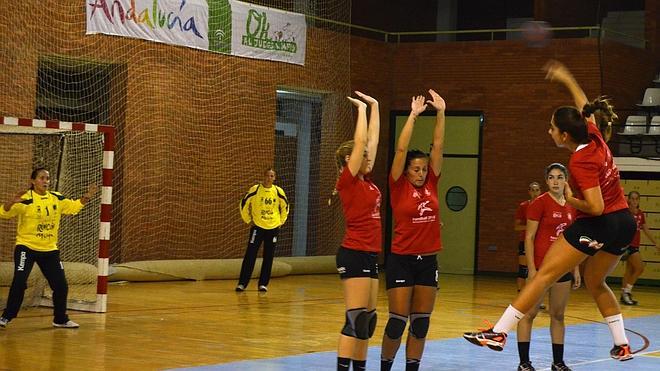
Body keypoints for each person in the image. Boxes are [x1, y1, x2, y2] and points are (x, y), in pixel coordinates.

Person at [463, 60, 637, 362]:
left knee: (543, 276)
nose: (550, 131)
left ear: (565, 136)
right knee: (595, 281)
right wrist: (567, 78)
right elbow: (585, 106)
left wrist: (571, 200)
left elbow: (595, 207)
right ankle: (621, 344)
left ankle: (499, 332)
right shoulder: (593, 135)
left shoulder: (580, 161)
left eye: (552, 128)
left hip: (599, 222)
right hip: (624, 223)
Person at [381, 90, 446, 371]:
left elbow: (439, 145)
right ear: (406, 171)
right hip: (401, 260)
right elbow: (400, 150)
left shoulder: (432, 183)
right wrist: (413, 116)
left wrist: (441, 112)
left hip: (427, 261)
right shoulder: (397, 186)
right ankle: (385, 366)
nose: (420, 173)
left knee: (420, 323)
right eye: (416, 169)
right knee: (397, 322)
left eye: (423, 169)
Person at [0, 168, 97, 329]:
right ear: (33, 181)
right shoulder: (25, 198)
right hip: (26, 247)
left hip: (49, 250)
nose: (45, 181)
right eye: (41, 178)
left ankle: (60, 319)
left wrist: (87, 196)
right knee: (19, 281)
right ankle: (6, 317)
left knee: (60, 285)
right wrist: (11, 202)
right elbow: (4, 214)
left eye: (47, 178)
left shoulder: (56, 198)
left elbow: (72, 207)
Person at [517, 163, 580, 371]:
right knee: (529, 314)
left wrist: (576, 268)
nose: (555, 181)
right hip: (542, 269)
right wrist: (532, 268)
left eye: (560, 177)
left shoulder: (572, 205)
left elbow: (574, 241)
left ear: (566, 180)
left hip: (562, 268)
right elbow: (529, 237)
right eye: (551, 177)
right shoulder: (539, 203)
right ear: (546, 180)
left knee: (558, 315)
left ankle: (558, 362)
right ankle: (524, 363)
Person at [334, 91, 381, 371]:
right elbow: (362, 140)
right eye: (361, 156)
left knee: (368, 320)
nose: (367, 157)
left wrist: (374, 107)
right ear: (349, 160)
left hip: (369, 254)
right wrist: (360, 111)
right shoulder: (347, 181)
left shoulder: (367, 180)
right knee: (355, 319)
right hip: (353, 252)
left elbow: (371, 141)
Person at [236, 168, 289, 292]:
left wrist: (280, 222)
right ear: (263, 176)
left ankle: (263, 284)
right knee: (250, 254)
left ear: (274, 178)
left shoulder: (278, 191)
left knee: (269, 256)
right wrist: (248, 220)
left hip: (273, 228)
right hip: (258, 227)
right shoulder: (255, 189)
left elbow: (285, 206)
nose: (269, 178)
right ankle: (242, 283)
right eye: (267, 175)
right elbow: (243, 203)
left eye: (271, 176)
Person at [620, 191, 659, 305]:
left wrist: (655, 243)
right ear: (629, 200)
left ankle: (623, 295)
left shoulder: (640, 214)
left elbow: (646, 230)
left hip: (635, 245)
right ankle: (627, 292)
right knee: (640, 268)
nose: (634, 201)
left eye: (637, 199)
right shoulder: (626, 213)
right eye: (632, 198)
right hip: (628, 245)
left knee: (630, 270)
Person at [515, 182, 542, 292]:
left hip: (539, 242)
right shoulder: (523, 206)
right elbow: (516, 227)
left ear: (540, 191)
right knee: (523, 270)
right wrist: (531, 227)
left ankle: (534, 298)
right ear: (529, 192)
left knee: (538, 270)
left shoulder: (543, 205)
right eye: (532, 190)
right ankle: (520, 296)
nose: (535, 193)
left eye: (537, 190)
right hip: (526, 241)